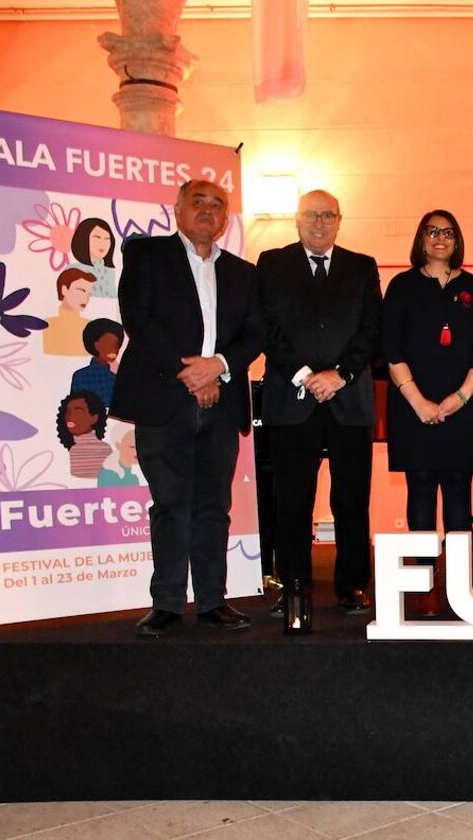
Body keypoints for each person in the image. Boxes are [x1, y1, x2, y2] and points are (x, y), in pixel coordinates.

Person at [110, 179, 264, 638]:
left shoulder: (243, 271)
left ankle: (214, 601)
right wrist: (192, 375)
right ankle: (168, 603)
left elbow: (255, 333)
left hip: (223, 399)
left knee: (215, 505)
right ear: (177, 208)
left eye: (218, 205)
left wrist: (217, 367)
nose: (207, 210)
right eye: (198, 201)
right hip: (165, 400)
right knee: (172, 504)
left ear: (226, 218)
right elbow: (138, 317)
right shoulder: (146, 255)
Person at [257, 190, 384, 631]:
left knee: (352, 498)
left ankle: (352, 586)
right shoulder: (272, 264)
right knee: (292, 500)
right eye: (311, 214)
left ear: (339, 220)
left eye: (328, 215)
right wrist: (308, 374)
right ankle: (293, 586)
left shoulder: (363, 266)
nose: (319, 222)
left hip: (348, 399)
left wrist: (340, 375)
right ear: (296, 219)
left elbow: (372, 330)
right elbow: (267, 329)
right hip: (294, 398)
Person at [383, 210, 473, 616]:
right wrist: (420, 403)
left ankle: (459, 584)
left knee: (460, 498)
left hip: (463, 410)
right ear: (421, 239)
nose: (440, 238)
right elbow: (391, 349)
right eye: (432, 232)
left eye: (448, 232)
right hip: (414, 409)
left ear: (457, 239)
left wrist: (458, 399)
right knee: (421, 495)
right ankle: (424, 581)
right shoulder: (402, 286)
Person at [56, 390, 111, 479]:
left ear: (94, 418)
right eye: (68, 411)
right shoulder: (70, 449)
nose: (70, 416)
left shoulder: (104, 450)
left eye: (77, 410)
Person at [69, 318, 123, 408]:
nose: (114, 349)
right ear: (95, 344)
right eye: (108, 343)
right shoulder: (80, 376)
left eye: (117, 344)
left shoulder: (116, 379)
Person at [43, 267, 95, 356]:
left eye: (89, 294)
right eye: (81, 290)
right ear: (64, 290)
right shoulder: (48, 324)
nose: (85, 298)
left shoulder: (90, 326)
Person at [68, 217, 117, 298]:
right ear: (84, 238)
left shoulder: (110, 273)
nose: (103, 243)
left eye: (107, 239)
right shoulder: (74, 269)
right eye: (97, 238)